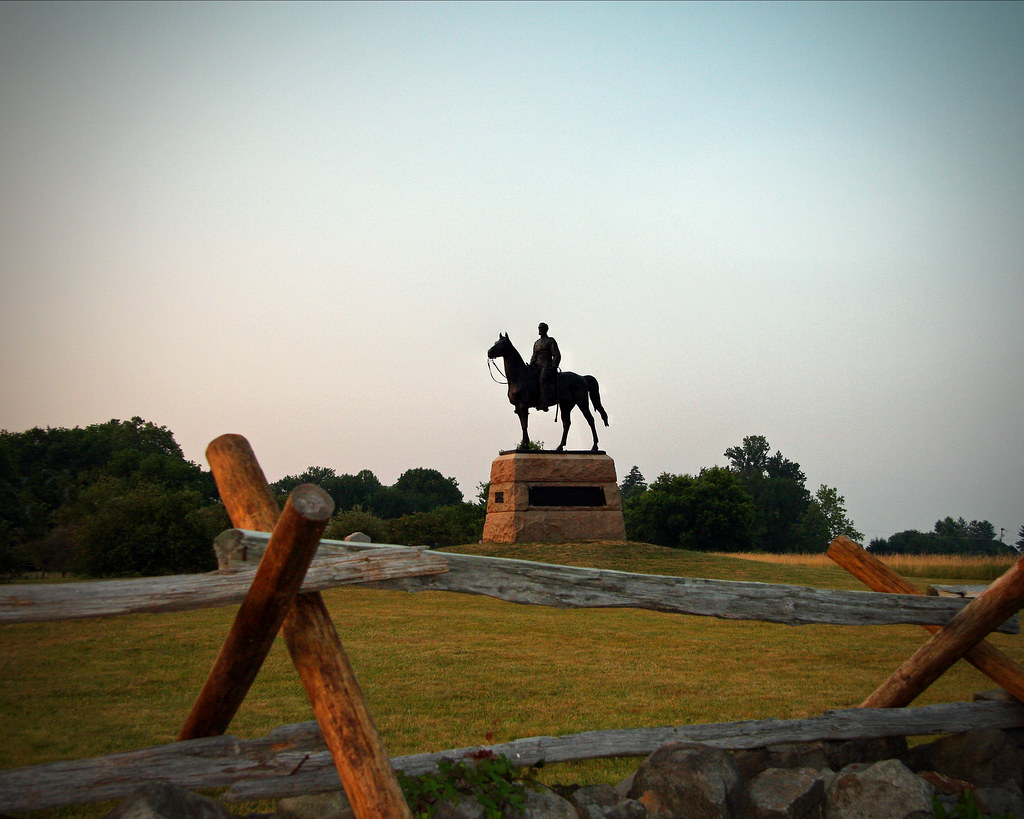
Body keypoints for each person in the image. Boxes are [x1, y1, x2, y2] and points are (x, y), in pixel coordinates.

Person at [530, 322, 560, 411]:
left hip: (547, 366)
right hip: (536, 366)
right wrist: (531, 364)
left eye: (541, 328)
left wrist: (554, 366)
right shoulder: (536, 343)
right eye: (539, 328)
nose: (540, 330)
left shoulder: (550, 341)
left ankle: (544, 403)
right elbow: (534, 356)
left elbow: (556, 355)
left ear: (546, 330)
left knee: (542, 379)